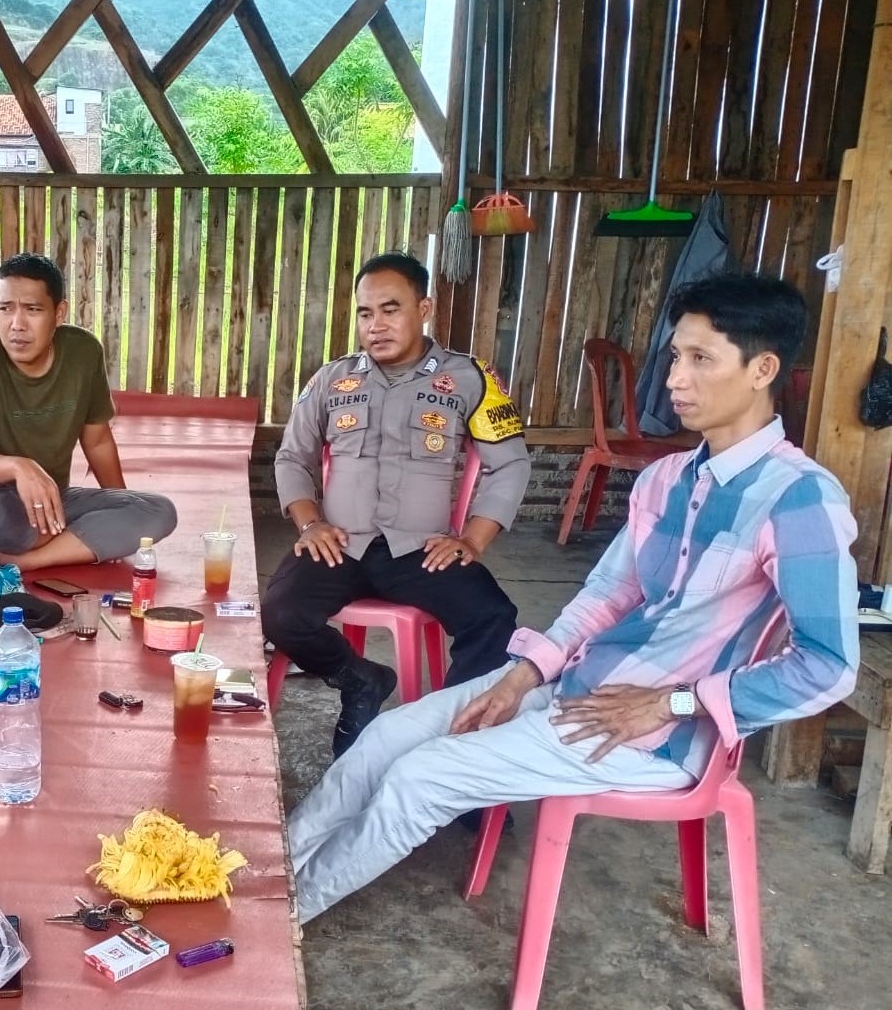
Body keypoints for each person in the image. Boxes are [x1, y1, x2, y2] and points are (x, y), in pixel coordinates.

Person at [288, 272, 859, 925]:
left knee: (421, 776)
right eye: (675, 356)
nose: (674, 379)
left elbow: (827, 666)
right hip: (579, 685)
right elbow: (609, 592)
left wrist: (673, 702)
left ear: (762, 369)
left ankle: (287, 914)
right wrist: (522, 676)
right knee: (385, 737)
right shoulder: (667, 478)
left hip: (658, 734)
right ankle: (258, 875)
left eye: (701, 359)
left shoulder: (800, 498)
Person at [263, 251, 532, 757]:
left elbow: (511, 464)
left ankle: (450, 743)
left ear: (423, 308)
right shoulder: (332, 379)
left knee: (493, 618)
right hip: (339, 545)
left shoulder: (468, 378)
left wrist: (472, 540)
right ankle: (359, 679)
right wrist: (310, 523)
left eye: (391, 309)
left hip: (420, 551)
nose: (376, 325)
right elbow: (292, 457)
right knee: (280, 612)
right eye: (365, 313)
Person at [0, 252, 176, 572]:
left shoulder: (83, 352)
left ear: (59, 312)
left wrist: (121, 505)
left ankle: (29, 559)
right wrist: (19, 467)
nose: (16, 324)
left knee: (159, 511)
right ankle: (74, 541)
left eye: (33, 310)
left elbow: (98, 441)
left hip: (54, 502)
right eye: (5, 308)